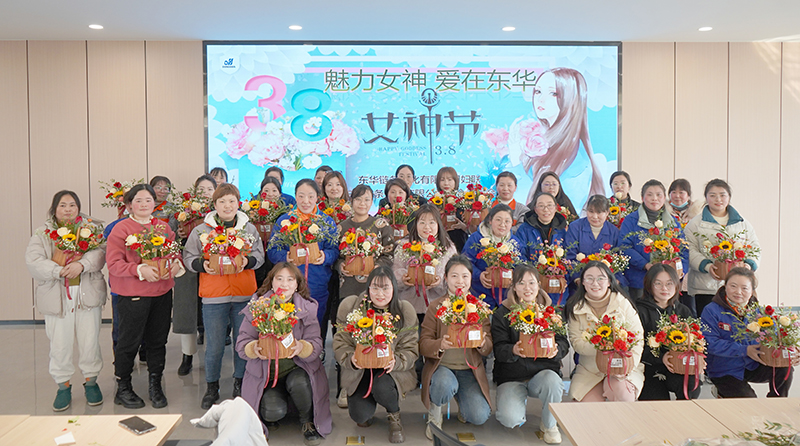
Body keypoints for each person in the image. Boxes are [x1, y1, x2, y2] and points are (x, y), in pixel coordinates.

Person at [183, 183, 265, 409]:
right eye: (222, 201)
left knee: (243, 343)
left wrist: (247, 261)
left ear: (238, 203)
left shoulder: (249, 229)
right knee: (214, 346)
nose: (227, 206)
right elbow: (188, 257)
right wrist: (202, 265)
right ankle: (212, 387)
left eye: (231, 201)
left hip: (244, 295)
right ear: (215, 204)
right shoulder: (201, 230)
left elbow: (260, 256)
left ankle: (240, 384)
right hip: (213, 296)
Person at [25, 191, 107, 411]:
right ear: (54, 209)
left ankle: (91, 382)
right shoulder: (43, 233)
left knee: (90, 340)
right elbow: (33, 260)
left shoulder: (91, 230)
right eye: (63, 205)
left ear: (78, 208)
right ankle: (63, 386)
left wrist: (82, 265)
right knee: (59, 344)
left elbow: (101, 253)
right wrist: (58, 270)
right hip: (56, 296)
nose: (68, 209)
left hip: (87, 294)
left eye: (72, 205)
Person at [236, 263, 331, 445]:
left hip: (296, 369)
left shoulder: (306, 309)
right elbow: (241, 343)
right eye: (279, 279)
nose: (284, 284)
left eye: (290, 279)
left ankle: (307, 421)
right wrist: (253, 348)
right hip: (267, 375)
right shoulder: (258, 307)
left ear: (297, 284)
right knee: (272, 412)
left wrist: (302, 347)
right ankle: (276, 409)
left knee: (300, 382)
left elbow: (317, 344)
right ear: (271, 282)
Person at [106, 184, 182, 409]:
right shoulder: (121, 229)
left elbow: (174, 253)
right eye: (138, 200)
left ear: (154, 203)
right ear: (129, 204)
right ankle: (123, 387)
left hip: (161, 293)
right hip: (132, 295)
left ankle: (155, 385)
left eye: (148, 200)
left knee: (158, 341)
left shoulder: (163, 227)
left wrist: (176, 265)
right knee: (128, 342)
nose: (143, 204)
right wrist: (139, 269)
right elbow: (114, 263)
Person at [333, 267, 418, 443]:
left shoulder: (404, 310)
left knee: (382, 387)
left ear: (394, 288)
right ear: (368, 288)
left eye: (385, 288)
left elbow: (410, 348)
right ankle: (366, 405)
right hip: (360, 370)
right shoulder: (351, 307)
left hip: (390, 371)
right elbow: (341, 342)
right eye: (375, 288)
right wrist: (351, 359)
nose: (380, 293)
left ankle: (394, 416)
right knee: (360, 417)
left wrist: (397, 361)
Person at [420, 256, 493, 440]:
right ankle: (435, 415)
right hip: (442, 368)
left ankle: (462, 401)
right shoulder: (436, 306)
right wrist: (440, 344)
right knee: (444, 384)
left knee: (479, 416)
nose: (460, 281)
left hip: (469, 370)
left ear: (470, 278)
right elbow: (423, 343)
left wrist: (483, 343)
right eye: (454, 276)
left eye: (465, 276)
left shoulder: (478, 307)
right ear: (446, 278)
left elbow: (489, 346)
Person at [492, 264, 565, 444]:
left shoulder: (551, 312)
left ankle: (549, 425)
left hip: (543, 373)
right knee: (510, 419)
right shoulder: (503, 313)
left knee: (553, 382)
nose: (527, 288)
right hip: (512, 376)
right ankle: (513, 406)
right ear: (514, 287)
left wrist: (557, 350)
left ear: (539, 285)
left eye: (531, 283)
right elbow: (498, 348)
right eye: (521, 283)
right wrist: (513, 350)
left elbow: (563, 343)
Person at [701, 268, 795, 398]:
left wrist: (790, 350)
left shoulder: (758, 311)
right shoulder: (711, 310)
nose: (738, 292)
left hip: (753, 364)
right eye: (733, 286)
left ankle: (776, 402)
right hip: (724, 369)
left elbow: (773, 337)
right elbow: (710, 343)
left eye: (744, 288)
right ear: (725, 286)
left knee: (784, 369)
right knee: (749, 401)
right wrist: (744, 350)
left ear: (752, 291)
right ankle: (721, 391)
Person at [523, 68, 605, 207]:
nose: (541, 99)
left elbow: (568, 209)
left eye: (553, 93)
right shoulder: (542, 141)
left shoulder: (577, 160)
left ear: (571, 98)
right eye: (538, 91)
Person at [267, 179, 340, 336]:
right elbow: (272, 250)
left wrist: (325, 256)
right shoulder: (284, 221)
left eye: (310, 196)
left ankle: (317, 350)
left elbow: (334, 250)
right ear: (295, 197)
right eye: (301, 196)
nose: (306, 201)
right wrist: (285, 257)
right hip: (288, 286)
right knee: (289, 327)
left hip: (317, 283)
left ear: (317, 197)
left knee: (316, 326)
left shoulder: (326, 222)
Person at [566, 261, 644, 402]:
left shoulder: (623, 303)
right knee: (587, 409)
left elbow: (638, 338)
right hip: (590, 370)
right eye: (589, 278)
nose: (595, 283)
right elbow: (577, 343)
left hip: (623, 367)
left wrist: (628, 366)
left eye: (600, 278)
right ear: (582, 282)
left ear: (609, 282)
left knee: (623, 395)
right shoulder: (576, 308)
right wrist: (604, 347)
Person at [685, 179, 761, 317]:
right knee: (709, 323)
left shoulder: (742, 223)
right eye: (712, 195)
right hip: (705, 287)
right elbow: (689, 249)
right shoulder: (695, 224)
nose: (718, 199)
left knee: (739, 322)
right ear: (706, 197)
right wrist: (707, 266)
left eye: (722, 195)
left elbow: (754, 246)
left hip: (738, 288)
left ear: (729, 197)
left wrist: (748, 265)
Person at [172, 174, 217, 377]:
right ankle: (187, 356)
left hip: (212, 267)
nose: (205, 193)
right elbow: (170, 237)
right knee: (187, 311)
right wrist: (179, 233)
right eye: (201, 189)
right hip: (188, 267)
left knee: (211, 312)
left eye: (209, 189)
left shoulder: (220, 213)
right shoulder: (183, 212)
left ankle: (211, 357)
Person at [635, 264, 702, 400]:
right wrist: (661, 357)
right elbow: (634, 345)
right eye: (658, 284)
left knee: (690, 387)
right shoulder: (638, 310)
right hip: (649, 367)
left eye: (669, 284)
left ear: (677, 285)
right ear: (649, 285)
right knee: (655, 403)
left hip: (678, 366)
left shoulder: (683, 310)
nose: (664, 288)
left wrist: (698, 358)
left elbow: (696, 340)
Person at [620, 179, 688, 301]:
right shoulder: (631, 220)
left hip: (667, 283)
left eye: (658, 195)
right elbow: (624, 247)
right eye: (650, 195)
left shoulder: (673, 222)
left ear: (664, 198)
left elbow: (684, 249)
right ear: (642, 198)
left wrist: (680, 271)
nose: (654, 198)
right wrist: (645, 265)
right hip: (639, 281)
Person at [463, 204, 523, 309]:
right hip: (480, 293)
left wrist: (514, 276)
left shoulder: (515, 242)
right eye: (498, 220)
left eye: (507, 221)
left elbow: (522, 265)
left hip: (506, 297)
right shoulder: (476, 238)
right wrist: (479, 275)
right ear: (490, 220)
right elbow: (465, 262)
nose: (502, 224)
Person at [516, 192, 568, 304]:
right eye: (541, 206)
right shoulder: (525, 229)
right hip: (532, 284)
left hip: (557, 285)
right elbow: (520, 255)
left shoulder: (563, 229)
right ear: (535, 209)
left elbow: (569, 255)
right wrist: (533, 274)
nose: (546, 209)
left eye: (549, 205)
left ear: (556, 208)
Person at [564, 195, 626, 289]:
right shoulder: (575, 228)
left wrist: (614, 281)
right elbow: (570, 255)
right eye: (591, 211)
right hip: (579, 282)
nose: (594, 216)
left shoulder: (614, 232)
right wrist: (578, 279)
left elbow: (619, 259)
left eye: (599, 212)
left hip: (606, 283)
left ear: (607, 213)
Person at [435, 166, 469, 252]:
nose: (446, 183)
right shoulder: (434, 203)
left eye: (449, 179)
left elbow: (471, 229)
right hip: (439, 244)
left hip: (459, 243)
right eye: (442, 180)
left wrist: (463, 227)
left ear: (455, 181)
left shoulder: (463, 203)